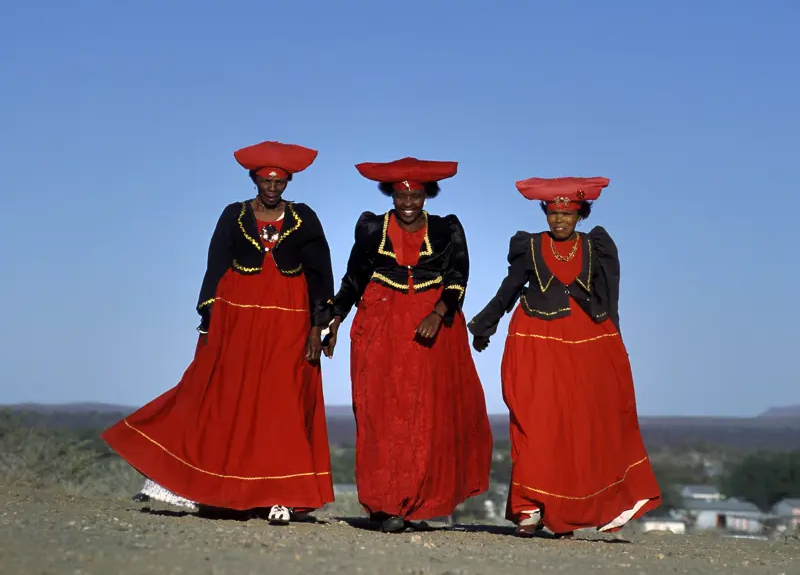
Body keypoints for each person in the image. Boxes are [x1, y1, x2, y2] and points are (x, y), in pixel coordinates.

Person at [102, 140, 336, 523]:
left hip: (288, 322)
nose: (273, 188)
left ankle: (280, 494)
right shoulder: (234, 215)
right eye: (265, 180)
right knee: (218, 394)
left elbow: (320, 273)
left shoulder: (305, 218)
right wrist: (209, 317)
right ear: (254, 179)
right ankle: (191, 484)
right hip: (236, 318)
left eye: (280, 182)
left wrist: (317, 328)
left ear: (288, 183)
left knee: (281, 402)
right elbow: (215, 264)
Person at [468, 177, 661, 537]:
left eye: (567, 214)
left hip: (586, 344)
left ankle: (566, 513)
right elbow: (510, 286)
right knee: (534, 422)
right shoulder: (529, 245)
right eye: (553, 213)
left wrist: (615, 343)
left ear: (580, 214)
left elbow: (609, 299)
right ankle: (529, 508)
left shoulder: (597, 247)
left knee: (578, 428)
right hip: (534, 341)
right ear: (546, 213)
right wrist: (485, 323)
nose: (559, 221)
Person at [325, 157, 493, 533]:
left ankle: (416, 501)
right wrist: (335, 318)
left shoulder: (446, 229)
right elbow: (354, 277)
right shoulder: (372, 228)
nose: (408, 202)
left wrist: (439, 312)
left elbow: (458, 276)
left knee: (425, 415)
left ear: (426, 195)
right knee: (379, 412)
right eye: (401, 195)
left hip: (431, 326)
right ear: (391, 194)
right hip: (380, 323)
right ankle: (385, 505)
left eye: (415, 195)